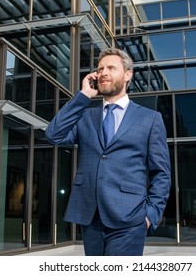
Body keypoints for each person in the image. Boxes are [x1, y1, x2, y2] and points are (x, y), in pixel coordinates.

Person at [45, 47, 171, 256]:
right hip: (90, 218)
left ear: (127, 74)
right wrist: (84, 95)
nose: (103, 72)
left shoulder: (150, 119)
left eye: (111, 68)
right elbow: (54, 134)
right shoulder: (85, 116)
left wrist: (149, 215)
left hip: (130, 219)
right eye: (100, 68)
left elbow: (162, 173)